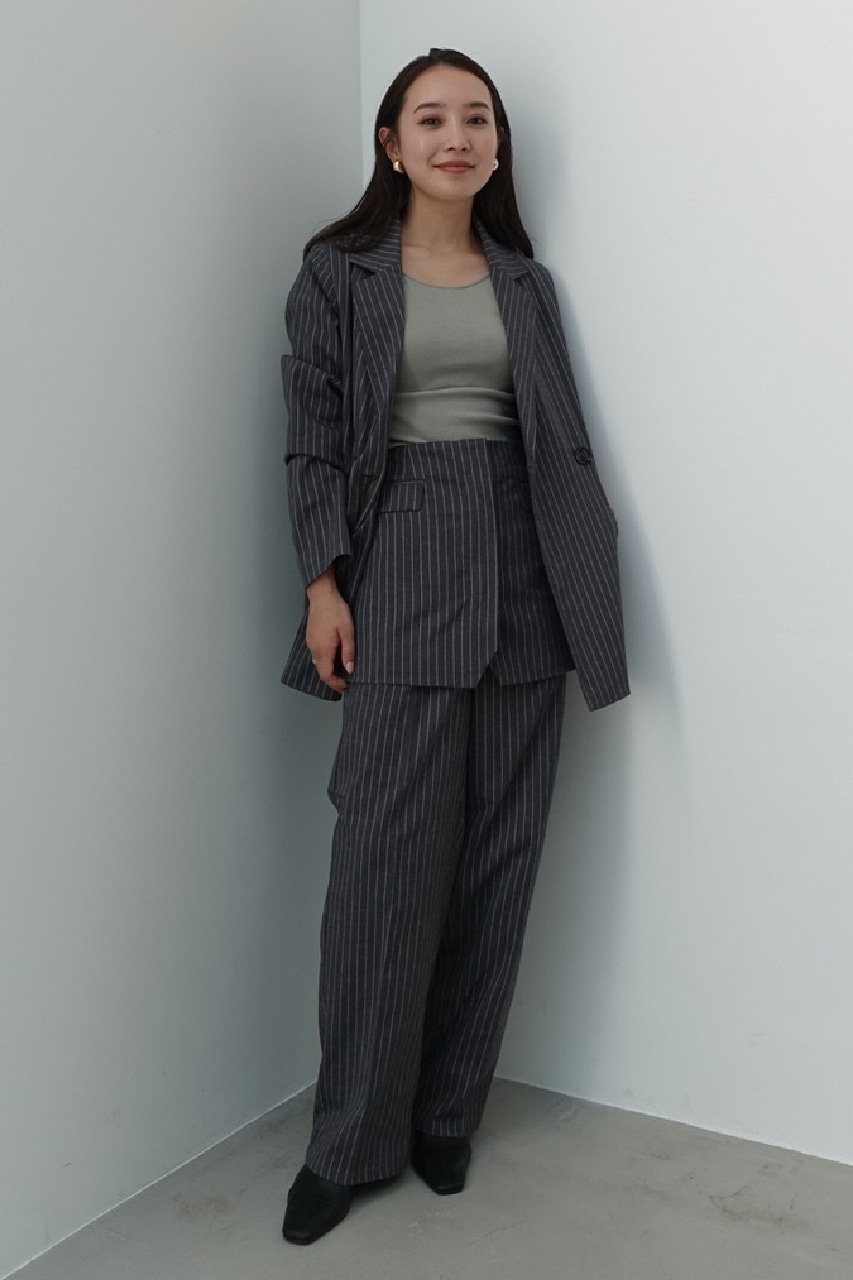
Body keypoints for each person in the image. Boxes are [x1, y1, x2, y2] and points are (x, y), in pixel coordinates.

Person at [279, 47, 629, 1245]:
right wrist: (323, 583)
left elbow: (559, 443)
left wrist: (588, 590)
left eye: (476, 118)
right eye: (430, 118)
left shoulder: (526, 283)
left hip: (527, 572)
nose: (456, 137)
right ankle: (348, 1140)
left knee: (499, 859)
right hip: (403, 564)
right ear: (390, 144)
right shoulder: (337, 275)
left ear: (496, 145)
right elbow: (310, 435)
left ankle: (444, 1115)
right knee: (382, 867)